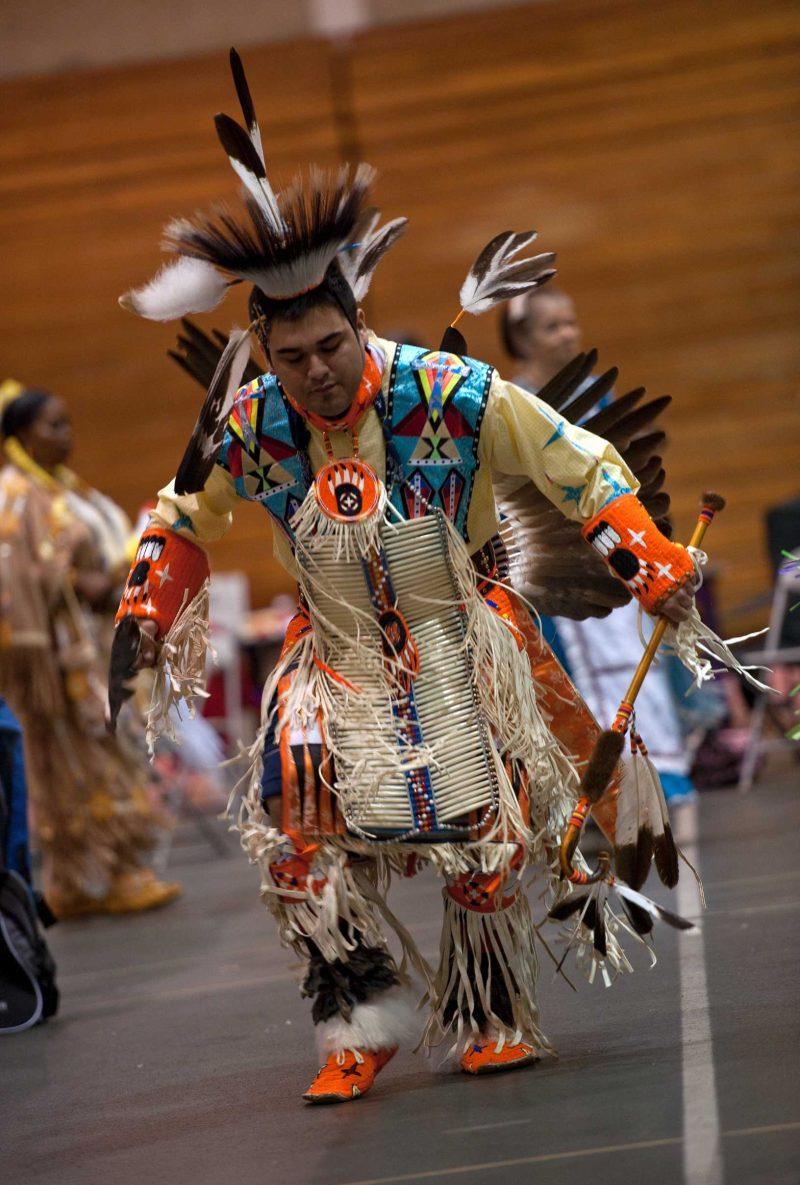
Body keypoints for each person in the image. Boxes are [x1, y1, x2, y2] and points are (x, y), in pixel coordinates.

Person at [113, 51, 742, 1106]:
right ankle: (357, 1019)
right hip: (334, 652)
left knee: (471, 839)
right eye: (293, 353)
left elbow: (575, 464)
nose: (316, 369)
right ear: (261, 344)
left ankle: (491, 1015)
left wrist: (650, 566)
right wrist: (143, 609)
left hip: (456, 634)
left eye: (330, 344)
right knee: (295, 841)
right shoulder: (251, 422)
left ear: (355, 325)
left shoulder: (449, 392)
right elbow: (182, 516)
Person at [500, 290, 726, 803]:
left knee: (637, 659)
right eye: (553, 327)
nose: (569, 334)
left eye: (571, 323)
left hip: (616, 550)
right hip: (560, 561)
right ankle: (600, 794)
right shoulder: (508, 403)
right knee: (575, 679)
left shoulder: (593, 400)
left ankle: (655, 779)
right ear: (521, 339)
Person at [0, 381, 180, 919]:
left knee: (80, 760)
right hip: (55, 660)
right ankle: (105, 874)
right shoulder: (15, 496)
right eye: (54, 426)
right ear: (21, 436)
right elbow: (16, 574)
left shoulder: (54, 489)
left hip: (83, 646)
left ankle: (83, 876)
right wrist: (80, 582)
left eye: (68, 424)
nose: (67, 436)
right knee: (85, 761)